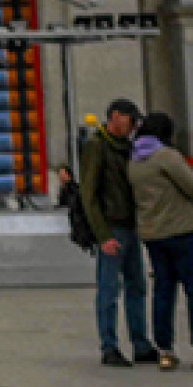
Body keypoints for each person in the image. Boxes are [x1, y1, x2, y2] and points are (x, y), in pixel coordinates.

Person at [129, 111, 193, 372]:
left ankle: (165, 351)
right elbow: (192, 186)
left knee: (163, 291)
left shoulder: (135, 159)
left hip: (153, 234)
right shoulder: (166, 156)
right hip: (183, 231)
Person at [78, 98, 156, 367]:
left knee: (137, 286)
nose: (133, 125)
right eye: (129, 119)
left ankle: (141, 343)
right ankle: (109, 346)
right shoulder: (96, 146)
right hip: (111, 227)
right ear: (115, 117)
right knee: (109, 290)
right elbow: (88, 195)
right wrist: (102, 235)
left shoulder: (128, 148)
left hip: (131, 226)